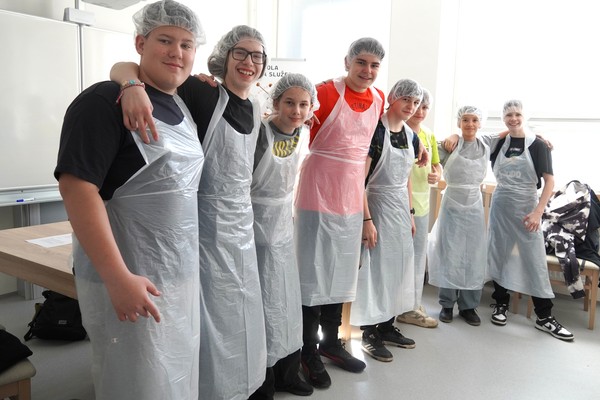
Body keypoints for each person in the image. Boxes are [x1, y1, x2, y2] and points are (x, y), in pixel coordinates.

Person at [55, 1, 205, 399]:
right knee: (136, 385)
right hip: (129, 276)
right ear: (140, 43)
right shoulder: (104, 101)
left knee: (173, 378)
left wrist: (130, 79)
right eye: (165, 40)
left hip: (176, 275)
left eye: (187, 44)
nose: (177, 52)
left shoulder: (181, 105)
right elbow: (76, 188)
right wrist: (117, 277)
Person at [110, 25, 270, 400]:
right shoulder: (203, 93)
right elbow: (125, 68)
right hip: (203, 232)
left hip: (242, 232)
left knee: (242, 316)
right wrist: (130, 86)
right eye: (240, 53)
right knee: (208, 323)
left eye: (257, 56)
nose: (248, 62)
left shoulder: (255, 107)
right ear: (224, 56)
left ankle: (246, 387)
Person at [293, 37, 386, 388]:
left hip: (350, 194)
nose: (367, 70)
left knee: (342, 271)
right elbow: (288, 118)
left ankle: (331, 342)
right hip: (316, 190)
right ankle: (308, 349)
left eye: (374, 65)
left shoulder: (379, 99)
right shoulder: (323, 93)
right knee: (311, 273)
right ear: (347, 61)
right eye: (361, 62)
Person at [251, 73, 318, 398]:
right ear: (275, 102)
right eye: (289, 103)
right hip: (254, 227)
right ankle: (261, 381)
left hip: (283, 229)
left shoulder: (303, 133)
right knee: (260, 306)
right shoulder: (259, 133)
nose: (296, 111)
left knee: (286, 303)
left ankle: (287, 372)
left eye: (304, 104)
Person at [487, 100, 573, 341]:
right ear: (503, 118)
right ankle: (500, 304)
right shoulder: (497, 143)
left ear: (525, 116)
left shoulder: (538, 145)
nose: (513, 119)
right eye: (508, 115)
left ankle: (544, 316)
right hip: (501, 205)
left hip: (527, 209)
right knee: (499, 254)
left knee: (534, 259)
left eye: (517, 114)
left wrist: (538, 212)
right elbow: (471, 140)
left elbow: (550, 181)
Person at [350, 79, 423, 362]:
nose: (410, 106)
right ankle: (369, 333)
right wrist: (366, 219)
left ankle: (387, 325)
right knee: (376, 271)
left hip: (400, 210)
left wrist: (410, 213)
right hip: (376, 205)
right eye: (406, 99)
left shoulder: (410, 136)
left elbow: (406, 178)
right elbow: (359, 180)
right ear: (392, 98)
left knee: (398, 268)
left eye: (415, 102)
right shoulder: (375, 132)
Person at [427, 105, 490, 326]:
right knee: (449, 253)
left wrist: (538, 138)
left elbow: (511, 133)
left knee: (473, 255)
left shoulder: (486, 144)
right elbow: (427, 150)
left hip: (474, 207)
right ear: (458, 122)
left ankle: (468, 307)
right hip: (452, 206)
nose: (470, 124)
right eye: (465, 120)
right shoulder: (449, 145)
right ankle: (447, 304)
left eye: (474, 120)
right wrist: (451, 136)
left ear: (480, 123)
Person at [396, 88, 441, 329]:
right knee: (401, 257)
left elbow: (436, 164)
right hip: (400, 202)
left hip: (422, 204)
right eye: (416, 105)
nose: (420, 111)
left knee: (417, 256)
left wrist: (437, 174)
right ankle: (403, 306)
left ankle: (412, 303)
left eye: (425, 107)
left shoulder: (429, 135)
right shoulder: (398, 132)